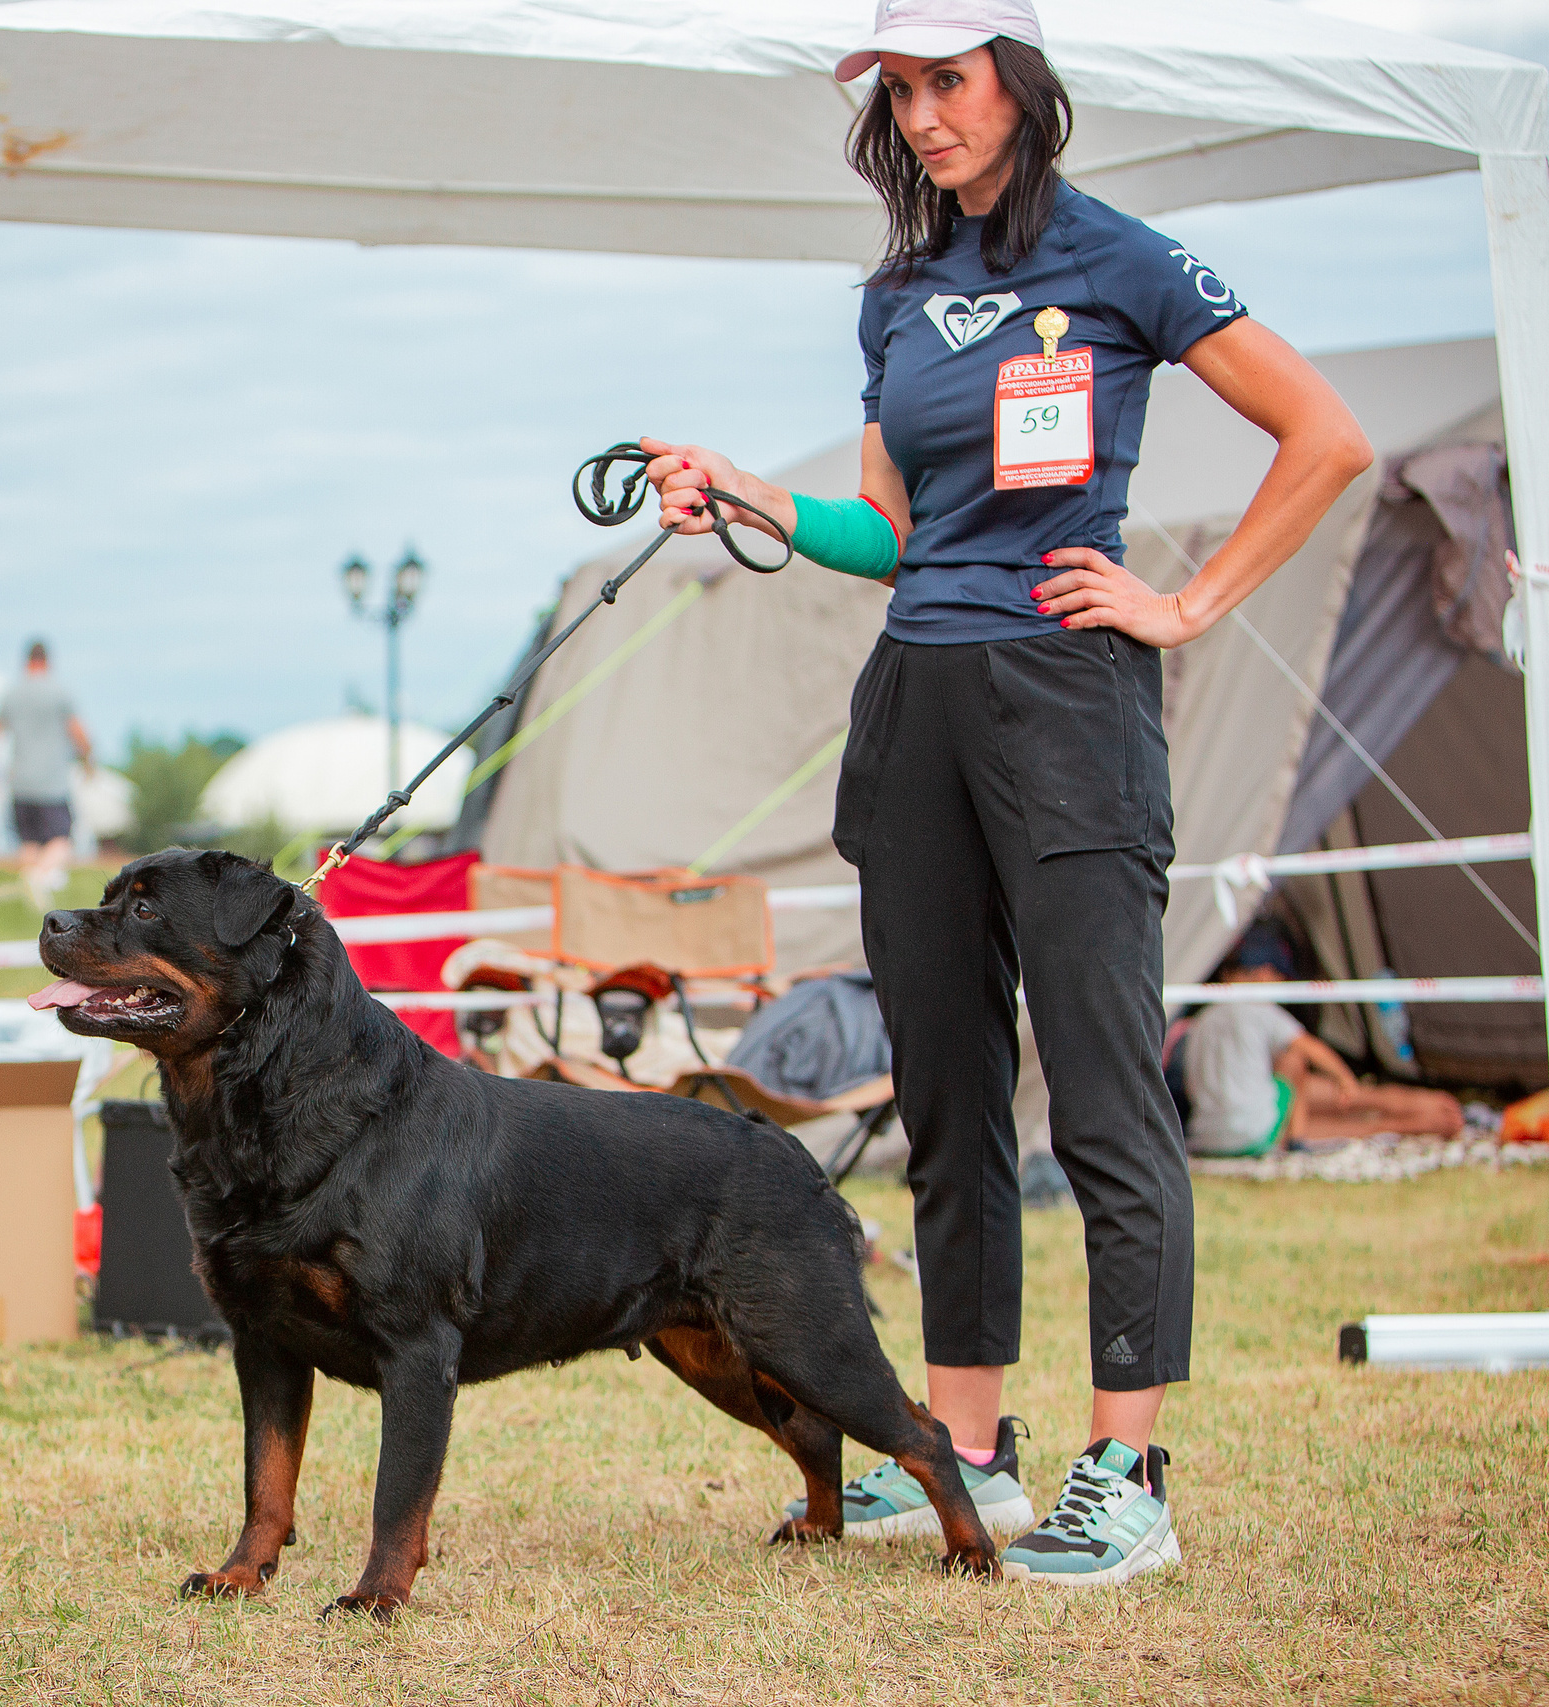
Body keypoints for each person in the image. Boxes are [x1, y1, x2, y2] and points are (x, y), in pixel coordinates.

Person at [641, 0, 1374, 1584]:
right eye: (898, 89)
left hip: (1067, 703)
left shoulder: (1123, 259)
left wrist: (1183, 605)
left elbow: (1327, 436)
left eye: (947, 80)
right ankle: (964, 1449)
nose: (920, 114)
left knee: (1106, 1088)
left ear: (1021, 85)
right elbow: (887, 532)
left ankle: (1129, 1466)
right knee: (948, 1102)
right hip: (913, 705)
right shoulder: (897, 294)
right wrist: (750, 497)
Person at [1184, 923, 1463, 1155]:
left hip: (1206, 1135)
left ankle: (1407, 1107)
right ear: (1264, 973)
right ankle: (1414, 1116)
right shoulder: (1260, 1009)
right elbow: (1310, 1049)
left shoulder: (1200, 1021)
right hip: (1256, 1132)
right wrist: (1345, 1079)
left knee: (1289, 1089)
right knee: (1294, 1062)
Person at [0, 640, 93, 912]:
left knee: (28, 842)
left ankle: (32, 902)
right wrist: (89, 760)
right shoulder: (59, 693)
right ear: (47, 661)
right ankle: (37, 878)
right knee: (63, 838)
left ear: (25, 661)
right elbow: (78, 733)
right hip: (52, 783)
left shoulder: (11, 694)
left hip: (19, 782)